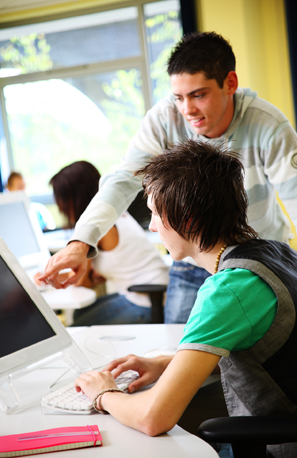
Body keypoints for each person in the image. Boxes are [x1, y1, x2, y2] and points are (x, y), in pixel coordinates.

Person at [39, 32, 297, 325]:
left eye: (199, 95)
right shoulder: (165, 119)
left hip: (257, 257)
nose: (187, 109)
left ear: (230, 84)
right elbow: (124, 179)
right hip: (192, 260)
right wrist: (79, 244)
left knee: (258, 354)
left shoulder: (269, 126)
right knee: (176, 348)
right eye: (179, 97)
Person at [74, 140, 297, 458]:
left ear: (188, 219)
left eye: (155, 214)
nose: (152, 227)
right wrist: (168, 364)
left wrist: (104, 394)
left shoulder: (230, 289)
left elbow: (153, 418)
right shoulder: (275, 251)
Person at [48, 160, 169, 325]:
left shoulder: (95, 228)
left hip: (143, 302)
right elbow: (87, 278)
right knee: (79, 314)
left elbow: (80, 281)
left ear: (72, 198)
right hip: (152, 296)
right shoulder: (114, 214)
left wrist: (46, 277)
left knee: (76, 329)